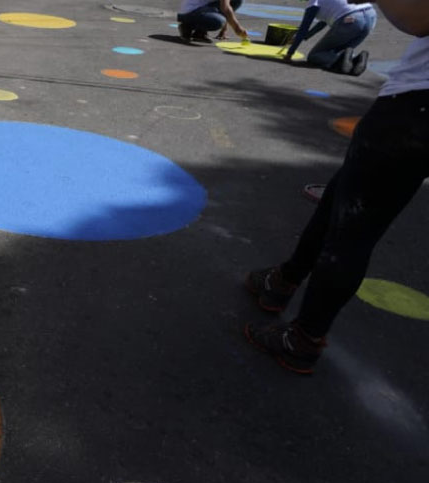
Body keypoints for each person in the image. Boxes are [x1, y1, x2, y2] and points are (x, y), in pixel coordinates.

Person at [245, 0, 429, 374]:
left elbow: (419, 17)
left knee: (355, 227)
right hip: (414, 108)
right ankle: (284, 280)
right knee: (341, 198)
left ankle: (304, 338)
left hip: (416, 107)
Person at [281, 0, 377, 75]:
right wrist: (307, 36)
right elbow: (323, 22)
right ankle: (357, 59)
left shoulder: (314, 2)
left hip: (351, 20)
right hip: (371, 16)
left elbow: (303, 29)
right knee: (341, 52)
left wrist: (290, 53)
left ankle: (340, 61)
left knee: (315, 55)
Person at [177, 0, 249, 44]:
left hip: (199, 8)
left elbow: (225, 4)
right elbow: (225, 8)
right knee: (218, 21)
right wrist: (237, 28)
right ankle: (187, 25)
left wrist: (224, 30)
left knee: (237, 1)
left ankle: (200, 32)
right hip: (189, 12)